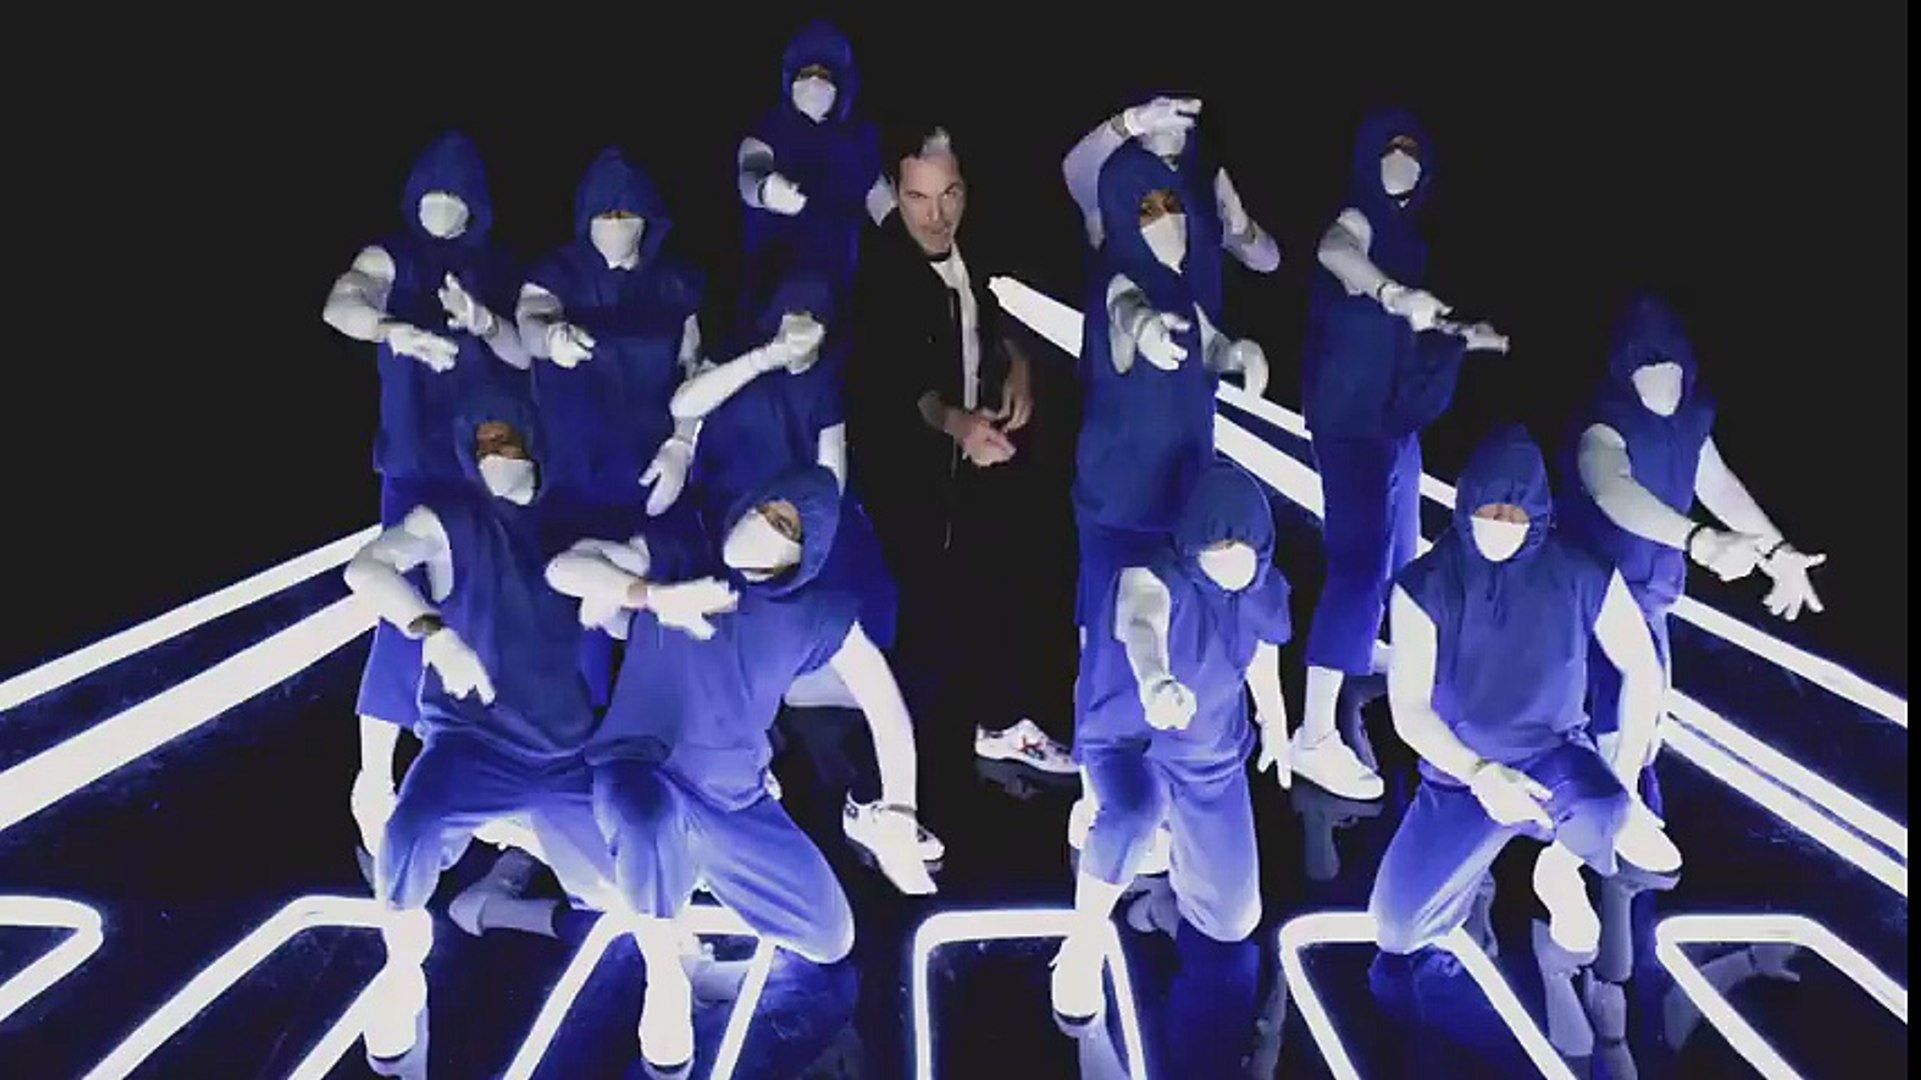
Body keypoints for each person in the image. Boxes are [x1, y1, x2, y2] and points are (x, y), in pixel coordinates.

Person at [546, 464, 934, 1073]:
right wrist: (651, 595)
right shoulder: (679, 555)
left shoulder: (816, 613)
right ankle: (664, 972)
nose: (762, 524)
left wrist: (901, 813)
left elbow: (885, 706)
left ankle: (695, 888)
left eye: (785, 524)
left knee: (830, 935)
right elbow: (566, 569)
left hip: (735, 798)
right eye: (764, 509)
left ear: (806, 551)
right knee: (644, 818)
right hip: (643, 771)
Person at [339, 390, 623, 1068]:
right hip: (469, 743)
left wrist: (620, 596)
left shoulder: (570, 529)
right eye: (483, 445)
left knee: (629, 886)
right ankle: (403, 973)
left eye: (506, 441)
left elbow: (619, 612)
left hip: (561, 750)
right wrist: (432, 633)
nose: (495, 453)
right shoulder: (451, 519)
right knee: (406, 837)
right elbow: (366, 568)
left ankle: (675, 967)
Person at [1368, 424, 1677, 968]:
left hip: (1553, 757)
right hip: (1461, 775)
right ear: (1466, 504)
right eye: (1488, 510)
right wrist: (1478, 772)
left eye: (1514, 514)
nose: (1500, 524)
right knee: (1396, 928)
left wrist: (1624, 780)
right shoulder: (1425, 584)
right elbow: (1409, 710)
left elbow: (1640, 664)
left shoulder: (1580, 571)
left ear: (1537, 512)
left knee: (1628, 829)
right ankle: (1475, 880)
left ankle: (1559, 870)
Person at [844, 125, 1079, 778]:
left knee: (1000, 591)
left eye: (948, 195)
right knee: (926, 624)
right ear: (895, 195)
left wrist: (1018, 366)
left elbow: (997, 321)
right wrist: (955, 423)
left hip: (977, 473)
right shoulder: (882, 271)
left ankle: (999, 725)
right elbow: (893, 382)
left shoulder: (979, 248)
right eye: (918, 198)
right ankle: (884, 785)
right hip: (911, 478)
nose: (936, 215)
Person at [321, 129, 530, 861]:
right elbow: (342, 302)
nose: (443, 208)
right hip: (414, 465)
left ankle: (481, 771)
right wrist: (395, 330)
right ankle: (374, 778)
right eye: (431, 195)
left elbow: (523, 350)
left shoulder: (499, 267)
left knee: (493, 614)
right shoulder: (393, 255)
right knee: (401, 612)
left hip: (487, 469)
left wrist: (485, 322)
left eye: (456, 197)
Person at [1294, 107, 1510, 802]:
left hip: (1391, 417)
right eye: (1389, 149)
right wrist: (1390, 291)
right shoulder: (1358, 216)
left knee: (1399, 551)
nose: (1401, 161)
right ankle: (1312, 734)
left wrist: (1460, 334)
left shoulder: (1406, 236)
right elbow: (1336, 250)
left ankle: (1362, 647)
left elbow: (1415, 321)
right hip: (1349, 417)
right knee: (1357, 564)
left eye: (1412, 152)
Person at [1558, 291, 1827, 815]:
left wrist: (1776, 550)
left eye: (1672, 372)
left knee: (1645, 718)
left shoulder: (1691, 418)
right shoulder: (1602, 421)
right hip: (1594, 591)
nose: (1663, 385)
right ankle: (1601, 823)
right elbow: (1612, 489)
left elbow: (1716, 483)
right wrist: (1700, 541)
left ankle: (1620, 802)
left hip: (1653, 592)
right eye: (1647, 371)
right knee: (1612, 716)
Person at [1052, 460, 1291, 1032]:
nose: (1228, 556)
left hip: (1210, 753)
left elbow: (1263, 654)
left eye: (1241, 545)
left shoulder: (1263, 588)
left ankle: (1169, 887)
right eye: (1217, 543)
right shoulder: (1153, 575)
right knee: (1131, 815)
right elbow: (1141, 621)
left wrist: (1276, 720)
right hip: (1132, 740)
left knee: (1233, 921)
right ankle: (1081, 944)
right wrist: (1155, 680)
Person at [515, 147, 704, 708]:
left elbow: (694, 367)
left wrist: (683, 442)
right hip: (575, 470)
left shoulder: (675, 283)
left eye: (626, 214)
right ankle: (577, 717)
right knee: (572, 593)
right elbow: (531, 317)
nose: (616, 225)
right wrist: (551, 337)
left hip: (649, 470)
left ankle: (653, 713)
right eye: (604, 214)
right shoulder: (557, 273)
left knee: (650, 588)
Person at [1073, 138, 1269, 637]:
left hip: (1184, 498)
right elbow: (1125, 309)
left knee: (1181, 627)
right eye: (1147, 209)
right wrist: (1146, 329)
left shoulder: (1183, 291)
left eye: (1172, 204)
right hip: (1121, 503)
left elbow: (1211, 345)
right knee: (1113, 629)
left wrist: (1238, 355)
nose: (1166, 220)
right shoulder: (1117, 279)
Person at [735, 18, 893, 305]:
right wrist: (766, 190)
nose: (814, 81)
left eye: (824, 74)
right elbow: (750, 172)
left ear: (842, 83)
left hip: (838, 288)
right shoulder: (769, 129)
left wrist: (905, 227)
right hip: (770, 290)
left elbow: (880, 199)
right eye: (805, 73)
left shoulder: (859, 140)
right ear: (789, 79)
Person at [1061, 95, 1281, 273]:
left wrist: (1243, 230)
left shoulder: (1193, 207)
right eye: (1160, 161)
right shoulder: (1114, 199)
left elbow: (1268, 261)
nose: (1166, 171)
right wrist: (1128, 123)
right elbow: (1078, 169)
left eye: (1174, 161)